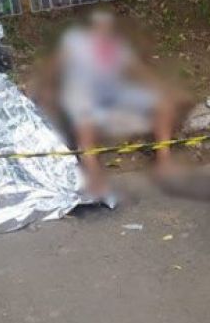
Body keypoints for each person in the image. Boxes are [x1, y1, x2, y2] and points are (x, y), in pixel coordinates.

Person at [54, 11, 175, 195]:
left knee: (163, 104)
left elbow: (137, 70)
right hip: (84, 94)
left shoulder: (117, 46)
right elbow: (59, 68)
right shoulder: (75, 43)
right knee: (84, 118)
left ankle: (164, 161)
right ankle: (93, 173)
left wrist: (158, 87)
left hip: (114, 93)